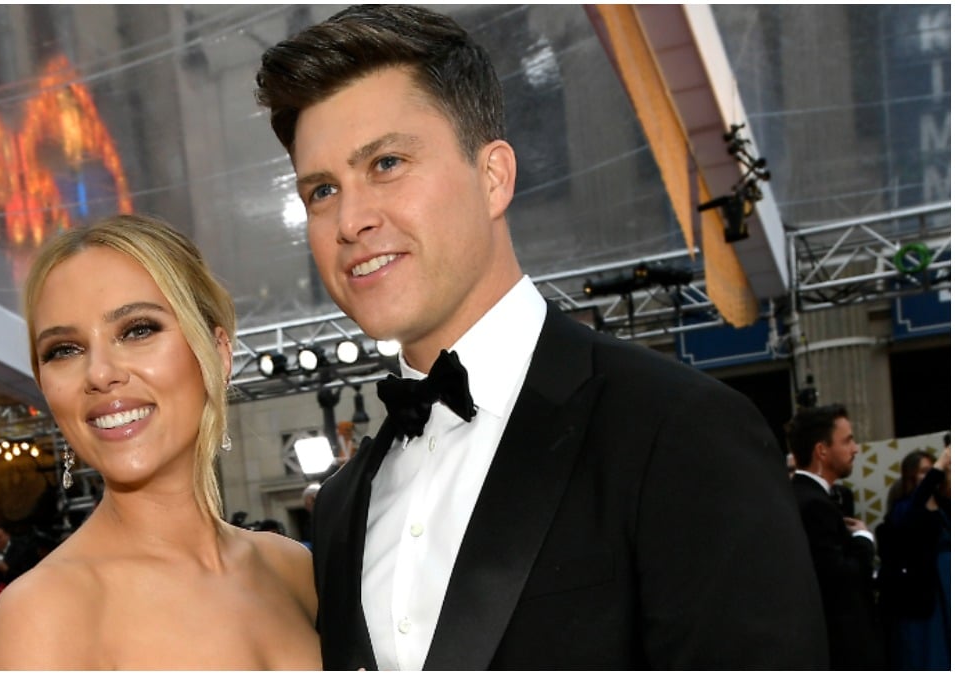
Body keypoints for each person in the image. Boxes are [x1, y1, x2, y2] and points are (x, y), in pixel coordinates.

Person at [255, 5, 827, 669]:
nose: (349, 219)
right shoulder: (342, 507)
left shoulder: (678, 430)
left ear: (493, 175)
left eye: (386, 162)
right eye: (322, 189)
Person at [0, 213, 321, 669]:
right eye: (64, 350)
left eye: (137, 330)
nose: (100, 374)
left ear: (217, 353)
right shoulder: (44, 610)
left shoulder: (292, 569)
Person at [786, 404, 885, 668]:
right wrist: (864, 539)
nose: (855, 449)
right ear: (822, 450)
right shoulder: (813, 504)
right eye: (848, 440)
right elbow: (842, 578)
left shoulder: (803, 496)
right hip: (844, 649)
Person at [877, 441, 951, 669]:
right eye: (925, 472)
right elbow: (915, 508)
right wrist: (940, 465)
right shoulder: (905, 508)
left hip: (947, 582)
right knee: (930, 651)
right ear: (911, 476)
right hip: (925, 591)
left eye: (933, 471)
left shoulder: (943, 505)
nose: (933, 476)